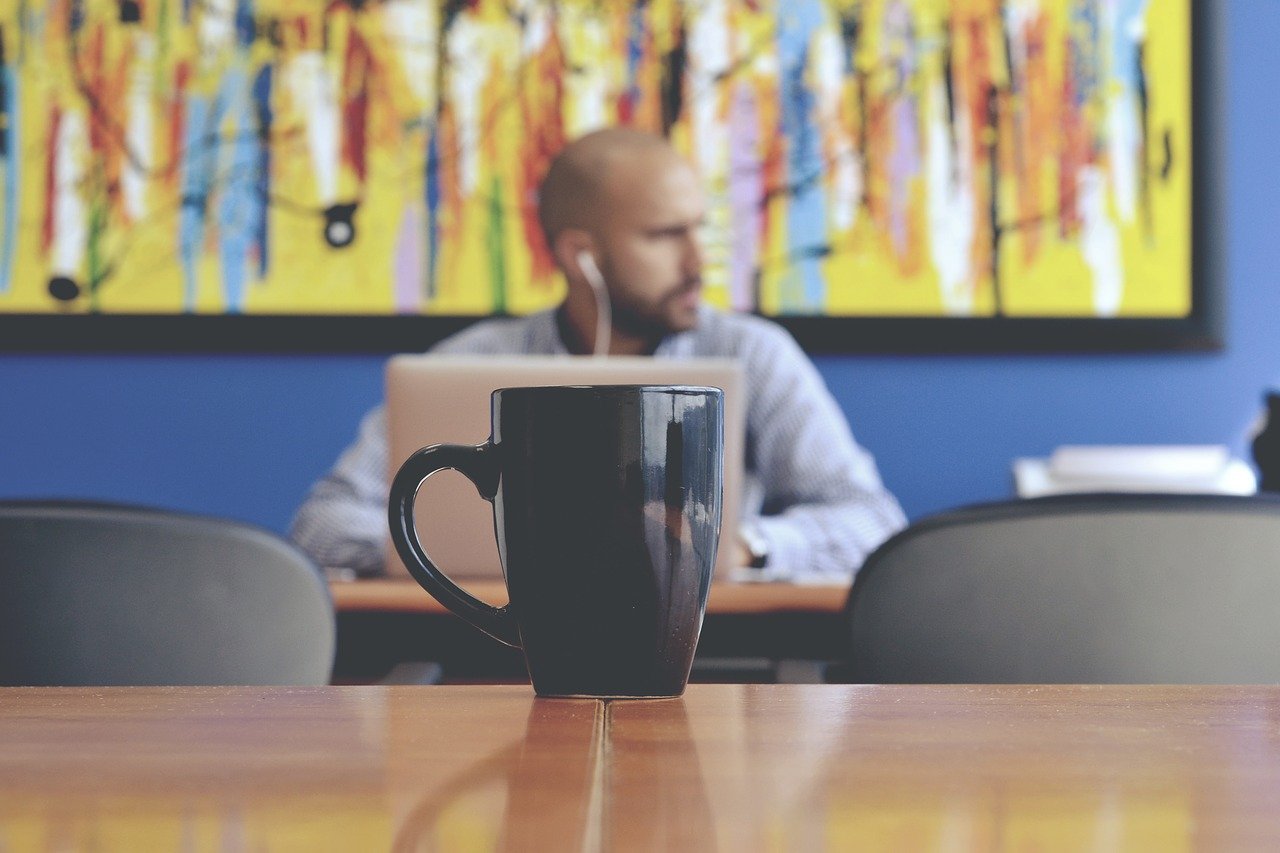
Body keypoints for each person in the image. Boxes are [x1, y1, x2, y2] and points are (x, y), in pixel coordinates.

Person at [290, 128, 906, 580]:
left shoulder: (753, 354)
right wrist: (431, 549)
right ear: (579, 253)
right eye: (666, 235)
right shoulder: (470, 362)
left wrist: (742, 545)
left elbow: (872, 524)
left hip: (704, 661)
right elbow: (323, 524)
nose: (699, 262)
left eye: (699, 229)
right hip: (498, 649)